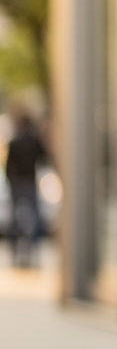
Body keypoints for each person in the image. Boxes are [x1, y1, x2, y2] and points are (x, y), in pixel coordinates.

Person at [6, 108, 47, 269]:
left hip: (18, 184)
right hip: (30, 182)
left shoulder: (14, 142)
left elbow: (9, 166)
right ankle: (35, 252)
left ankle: (15, 252)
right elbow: (44, 159)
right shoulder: (34, 141)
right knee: (36, 217)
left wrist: (12, 183)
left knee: (15, 219)